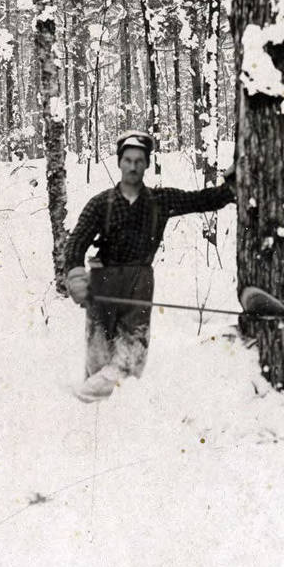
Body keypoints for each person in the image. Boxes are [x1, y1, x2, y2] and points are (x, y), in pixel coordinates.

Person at [65, 130, 236, 402]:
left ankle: (111, 408)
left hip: (139, 283)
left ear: (146, 164)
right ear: (119, 162)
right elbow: (75, 243)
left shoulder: (160, 200)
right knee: (98, 357)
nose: (133, 166)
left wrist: (233, 185)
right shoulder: (101, 203)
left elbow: (201, 200)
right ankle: (92, 415)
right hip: (103, 284)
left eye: (139, 161)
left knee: (132, 356)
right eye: (128, 160)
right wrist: (76, 276)